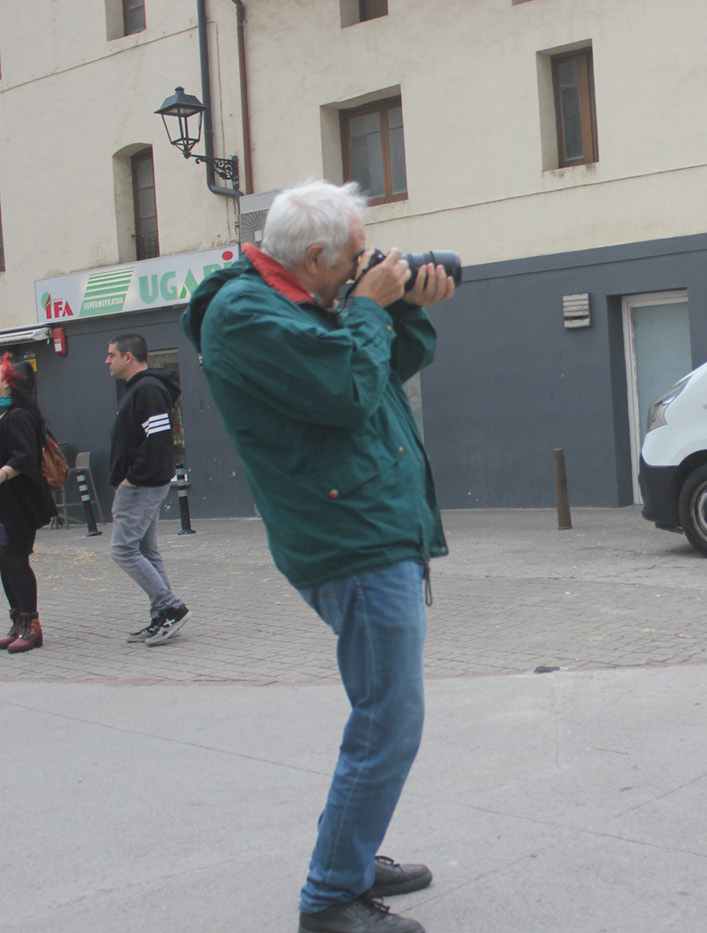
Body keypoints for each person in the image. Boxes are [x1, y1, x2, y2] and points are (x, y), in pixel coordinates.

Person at [182, 179, 455, 933]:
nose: (360, 267)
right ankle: (332, 895)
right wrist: (368, 305)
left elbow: (377, 377)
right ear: (313, 257)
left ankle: (356, 858)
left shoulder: (307, 298)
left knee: (385, 713)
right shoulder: (244, 314)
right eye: (352, 259)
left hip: (371, 527)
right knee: (387, 719)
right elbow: (343, 386)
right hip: (349, 540)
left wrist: (402, 306)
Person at [106, 333, 191, 646]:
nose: (107, 360)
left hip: (141, 485)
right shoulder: (139, 390)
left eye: (111, 354)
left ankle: (171, 606)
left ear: (128, 357)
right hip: (141, 483)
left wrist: (133, 478)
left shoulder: (148, 389)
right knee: (145, 550)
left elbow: (157, 441)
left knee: (123, 550)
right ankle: (162, 616)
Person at [0, 355, 57, 654]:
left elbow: (24, 458)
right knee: (4, 562)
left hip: (17, 505)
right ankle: (17, 621)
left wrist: (3, 474)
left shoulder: (19, 415)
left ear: (10, 384)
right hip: (4, 505)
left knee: (15, 560)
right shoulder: (3, 414)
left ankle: (31, 626)